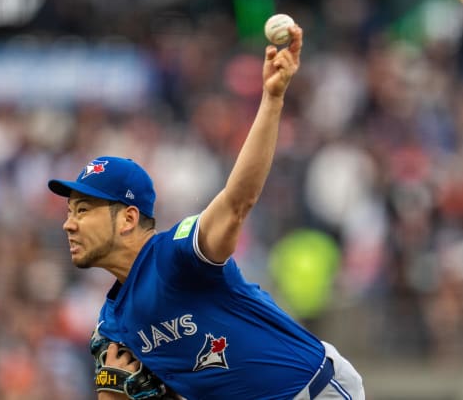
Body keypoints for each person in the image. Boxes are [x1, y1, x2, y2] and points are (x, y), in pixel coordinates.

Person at [48, 24, 364, 400]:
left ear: (129, 218)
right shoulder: (113, 324)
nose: (69, 223)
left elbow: (237, 202)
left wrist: (272, 98)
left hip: (309, 390)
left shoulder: (176, 254)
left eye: (83, 210)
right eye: (71, 211)